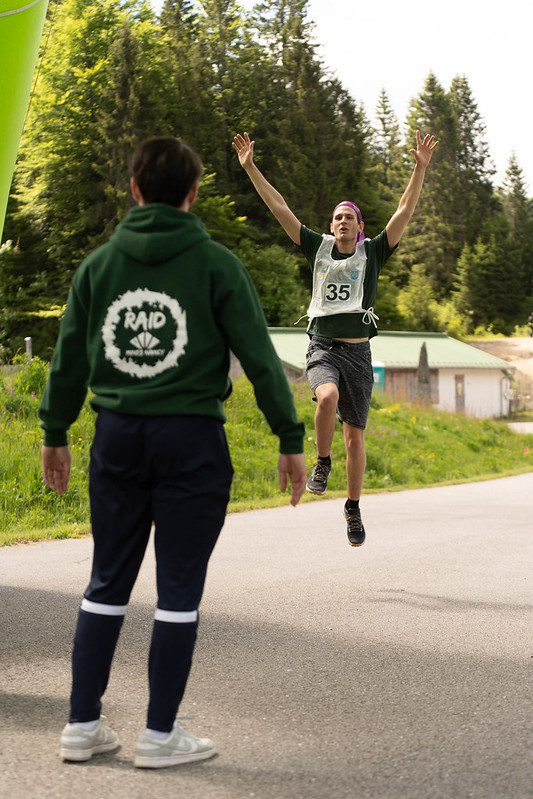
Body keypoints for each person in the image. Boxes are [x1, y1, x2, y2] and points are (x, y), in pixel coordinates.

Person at [39, 136, 307, 769]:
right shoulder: (217, 264)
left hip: (117, 437)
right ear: (193, 192)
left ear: (134, 189)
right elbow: (260, 358)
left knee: (107, 579)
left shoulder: (98, 267)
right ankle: (159, 735)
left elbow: (69, 357)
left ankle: (82, 724)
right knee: (178, 588)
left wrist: (55, 431)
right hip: (191, 440)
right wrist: (289, 438)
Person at [232, 129, 438, 546]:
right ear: (331, 226)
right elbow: (279, 206)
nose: (343, 221)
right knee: (326, 397)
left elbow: (404, 210)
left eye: (349, 217)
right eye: (337, 217)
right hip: (322, 347)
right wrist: (250, 167)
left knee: (355, 439)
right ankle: (322, 462)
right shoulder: (317, 247)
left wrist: (419, 168)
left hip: (358, 355)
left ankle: (353, 508)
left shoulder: (373, 252)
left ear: (360, 227)